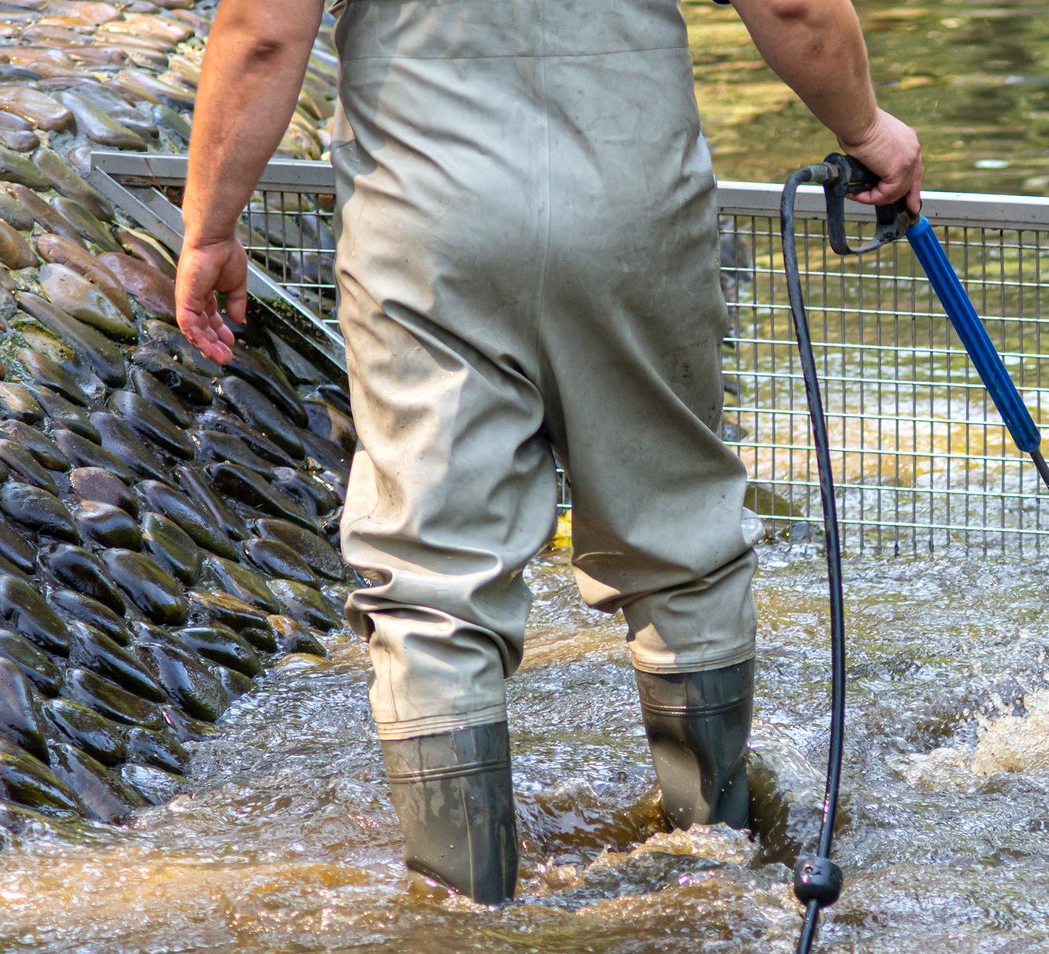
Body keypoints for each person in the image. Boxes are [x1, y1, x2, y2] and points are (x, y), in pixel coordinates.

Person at [175, 0, 922, 906]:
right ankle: (713, 859)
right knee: (679, 536)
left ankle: (463, 912)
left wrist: (211, 228)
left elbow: (261, 30)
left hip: (427, 229)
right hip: (634, 209)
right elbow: (792, 6)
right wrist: (866, 128)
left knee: (431, 576)